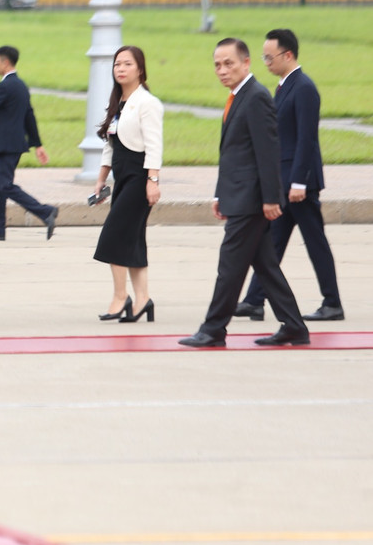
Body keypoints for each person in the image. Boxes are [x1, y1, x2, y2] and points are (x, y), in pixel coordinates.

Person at [180, 39, 309, 348]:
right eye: (217, 65)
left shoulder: (256, 97)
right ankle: (294, 327)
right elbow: (234, 155)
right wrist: (219, 195)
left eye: (229, 64)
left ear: (246, 63)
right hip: (238, 196)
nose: (222, 70)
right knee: (265, 267)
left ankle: (213, 329)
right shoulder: (239, 97)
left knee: (229, 267)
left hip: (251, 202)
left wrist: (271, 199)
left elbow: (268, 152)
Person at [235, 29, 342, 322]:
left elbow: (307, 139)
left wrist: (299, 182)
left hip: (299, 185)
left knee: (315, 243)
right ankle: (254, 301)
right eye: (264, 57)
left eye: (269, 57)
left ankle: (332, 303)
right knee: (271, 244)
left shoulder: (304, 88)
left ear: (288, 55)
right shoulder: (284, 86)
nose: (266, 63)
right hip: (285, 182)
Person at [91, 46, 164, 323]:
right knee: (133, 240)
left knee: (114, 236)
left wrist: (153, 181)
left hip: (139, 177)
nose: (120, 69)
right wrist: (101, 178)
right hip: (122, 177)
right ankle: (143, 299)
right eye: (117, 64)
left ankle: (121, 297)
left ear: (140, 69)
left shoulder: (148, 103)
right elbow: (111, 145)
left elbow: (154, 145)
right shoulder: (119, 102)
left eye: (127, 64)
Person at [0, 46, 57, 241]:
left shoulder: (4, 87)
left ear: (5, 63)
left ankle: (45, 211)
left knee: (4, 185)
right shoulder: (21, 85)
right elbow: (29, 116)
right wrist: (37, 144)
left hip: (7, 145)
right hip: (13, 145)